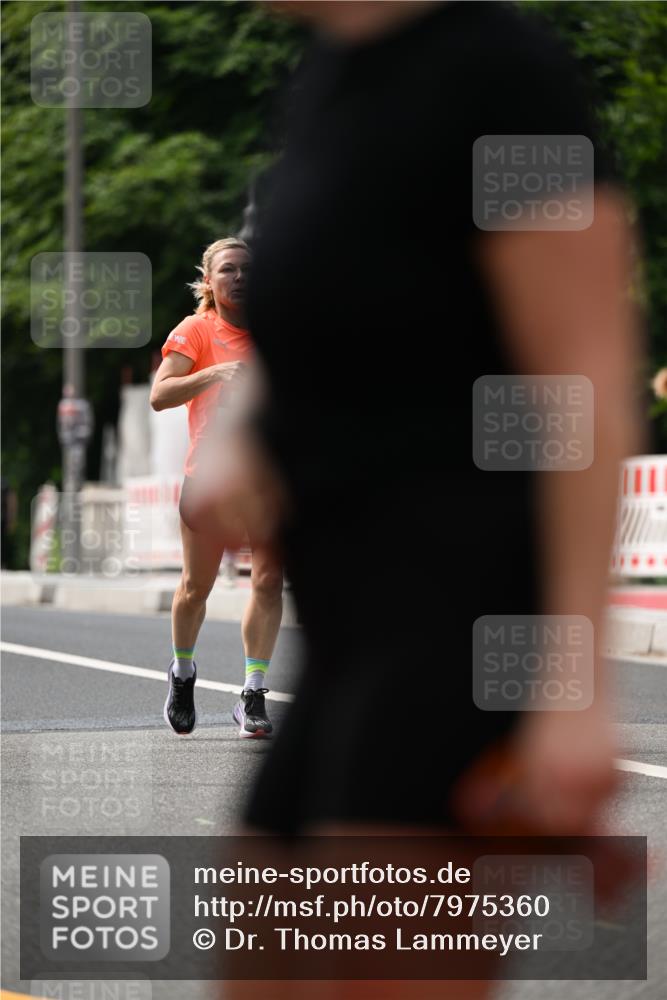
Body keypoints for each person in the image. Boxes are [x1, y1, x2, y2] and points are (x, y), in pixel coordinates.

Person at [212, 3, 642, 996]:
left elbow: (581, 374)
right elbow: (307, 321)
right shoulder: (326, 79)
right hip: (344, 632)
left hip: (461, 625)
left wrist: (570, 688)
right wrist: (235, 439)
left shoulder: (500, 76)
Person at [150, 237, 283, 738]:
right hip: (209, 477)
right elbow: (160, 395)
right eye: (228, 270)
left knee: (268, 582)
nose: (240, 278)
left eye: (248, 269)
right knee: (195, 587)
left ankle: (252, 694)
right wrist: (216, 373)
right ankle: (182, 673)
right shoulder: (197, 331)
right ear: (208, 281)